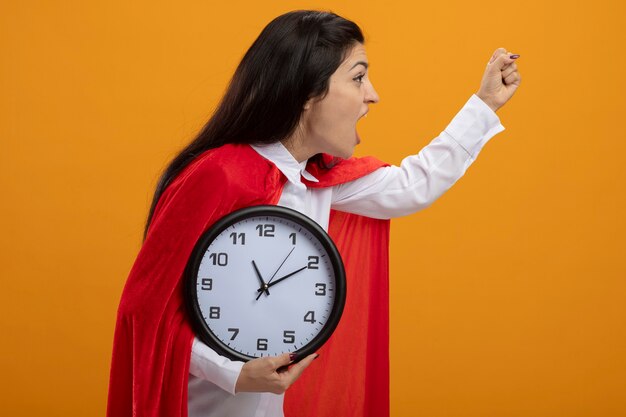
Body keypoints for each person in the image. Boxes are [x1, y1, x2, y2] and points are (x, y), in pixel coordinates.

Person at [106, 9, 521, 417]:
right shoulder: (218, 175)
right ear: (307, 93)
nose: (372, 94)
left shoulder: (318, 179)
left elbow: (412, 186)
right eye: (358, 77)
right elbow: (144, 315)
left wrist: (484, 105)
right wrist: (233, 372)